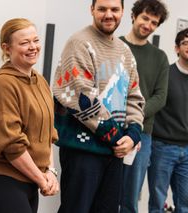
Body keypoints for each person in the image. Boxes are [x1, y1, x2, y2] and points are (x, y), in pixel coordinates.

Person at [52, 0, 145, 212]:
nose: (108, 14)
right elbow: (81, 98)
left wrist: (133, 133)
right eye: (102, 9)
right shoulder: (79, 43)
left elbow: (135, 97)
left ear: (123, 12)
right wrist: (118, 137)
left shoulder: (125, 51)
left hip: (115, 151)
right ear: (92, 9)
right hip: (84, 150)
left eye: (115, 9)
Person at [0, 18, 59, 213]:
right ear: (6, 48)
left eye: (36, 40)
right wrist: (42, 179)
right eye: (24, 43)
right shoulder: (2, 85)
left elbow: (48, 136)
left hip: (29, 183)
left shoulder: (40, 81)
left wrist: (51, 172)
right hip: (2, 184)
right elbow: (11, 145)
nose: (33, 47)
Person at [119, 1, 169, 212]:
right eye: (145, 18)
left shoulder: (159, 58)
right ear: (134, 16)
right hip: (106, 128)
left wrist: (133, 117)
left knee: (130, 196)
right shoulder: (114, 45)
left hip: (141, 134)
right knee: (103, 191)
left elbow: (160, 97)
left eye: (154, 22)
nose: (148, 25)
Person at [148, 28, 188, 213]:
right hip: (162, 147)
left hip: (187, 150)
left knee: (185, 203)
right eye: (185, 43)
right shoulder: (167, 74)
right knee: (157, 201)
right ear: (177, 48)